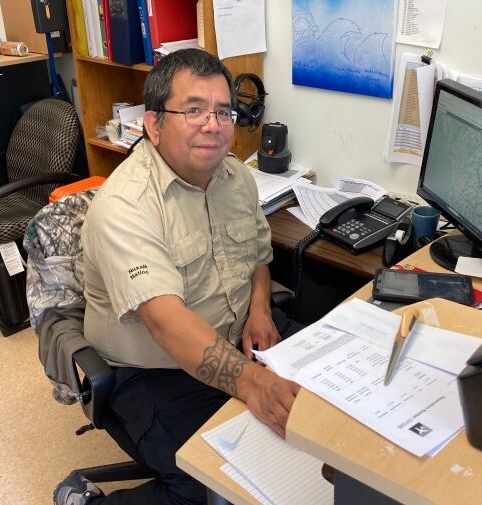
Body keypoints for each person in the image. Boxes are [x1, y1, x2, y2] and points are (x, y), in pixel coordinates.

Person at [54, 49, 302, 505]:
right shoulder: (126, 204)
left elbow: (258, 257)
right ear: (153, 124)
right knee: (205, 484)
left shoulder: (237, 178)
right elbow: (165, 321)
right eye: (193, 110)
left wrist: (260, 308)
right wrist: (251, 381)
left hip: (237, 338)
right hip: (151, 369)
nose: (213, 124)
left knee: (326, 411)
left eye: (223, 111)